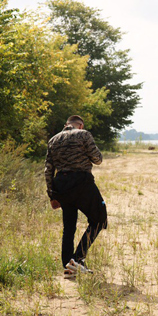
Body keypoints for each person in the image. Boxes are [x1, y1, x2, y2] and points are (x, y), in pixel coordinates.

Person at [44, 115, 108, 278]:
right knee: (99, 219)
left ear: (66, 125)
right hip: (81, 181)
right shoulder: (84, 134)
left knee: (69, 226)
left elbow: (48, 170)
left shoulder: (53, 140)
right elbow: (98, 159)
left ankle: (68, 265)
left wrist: (52, 195)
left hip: (61, 185)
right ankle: (77, 259)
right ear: (80, 125)